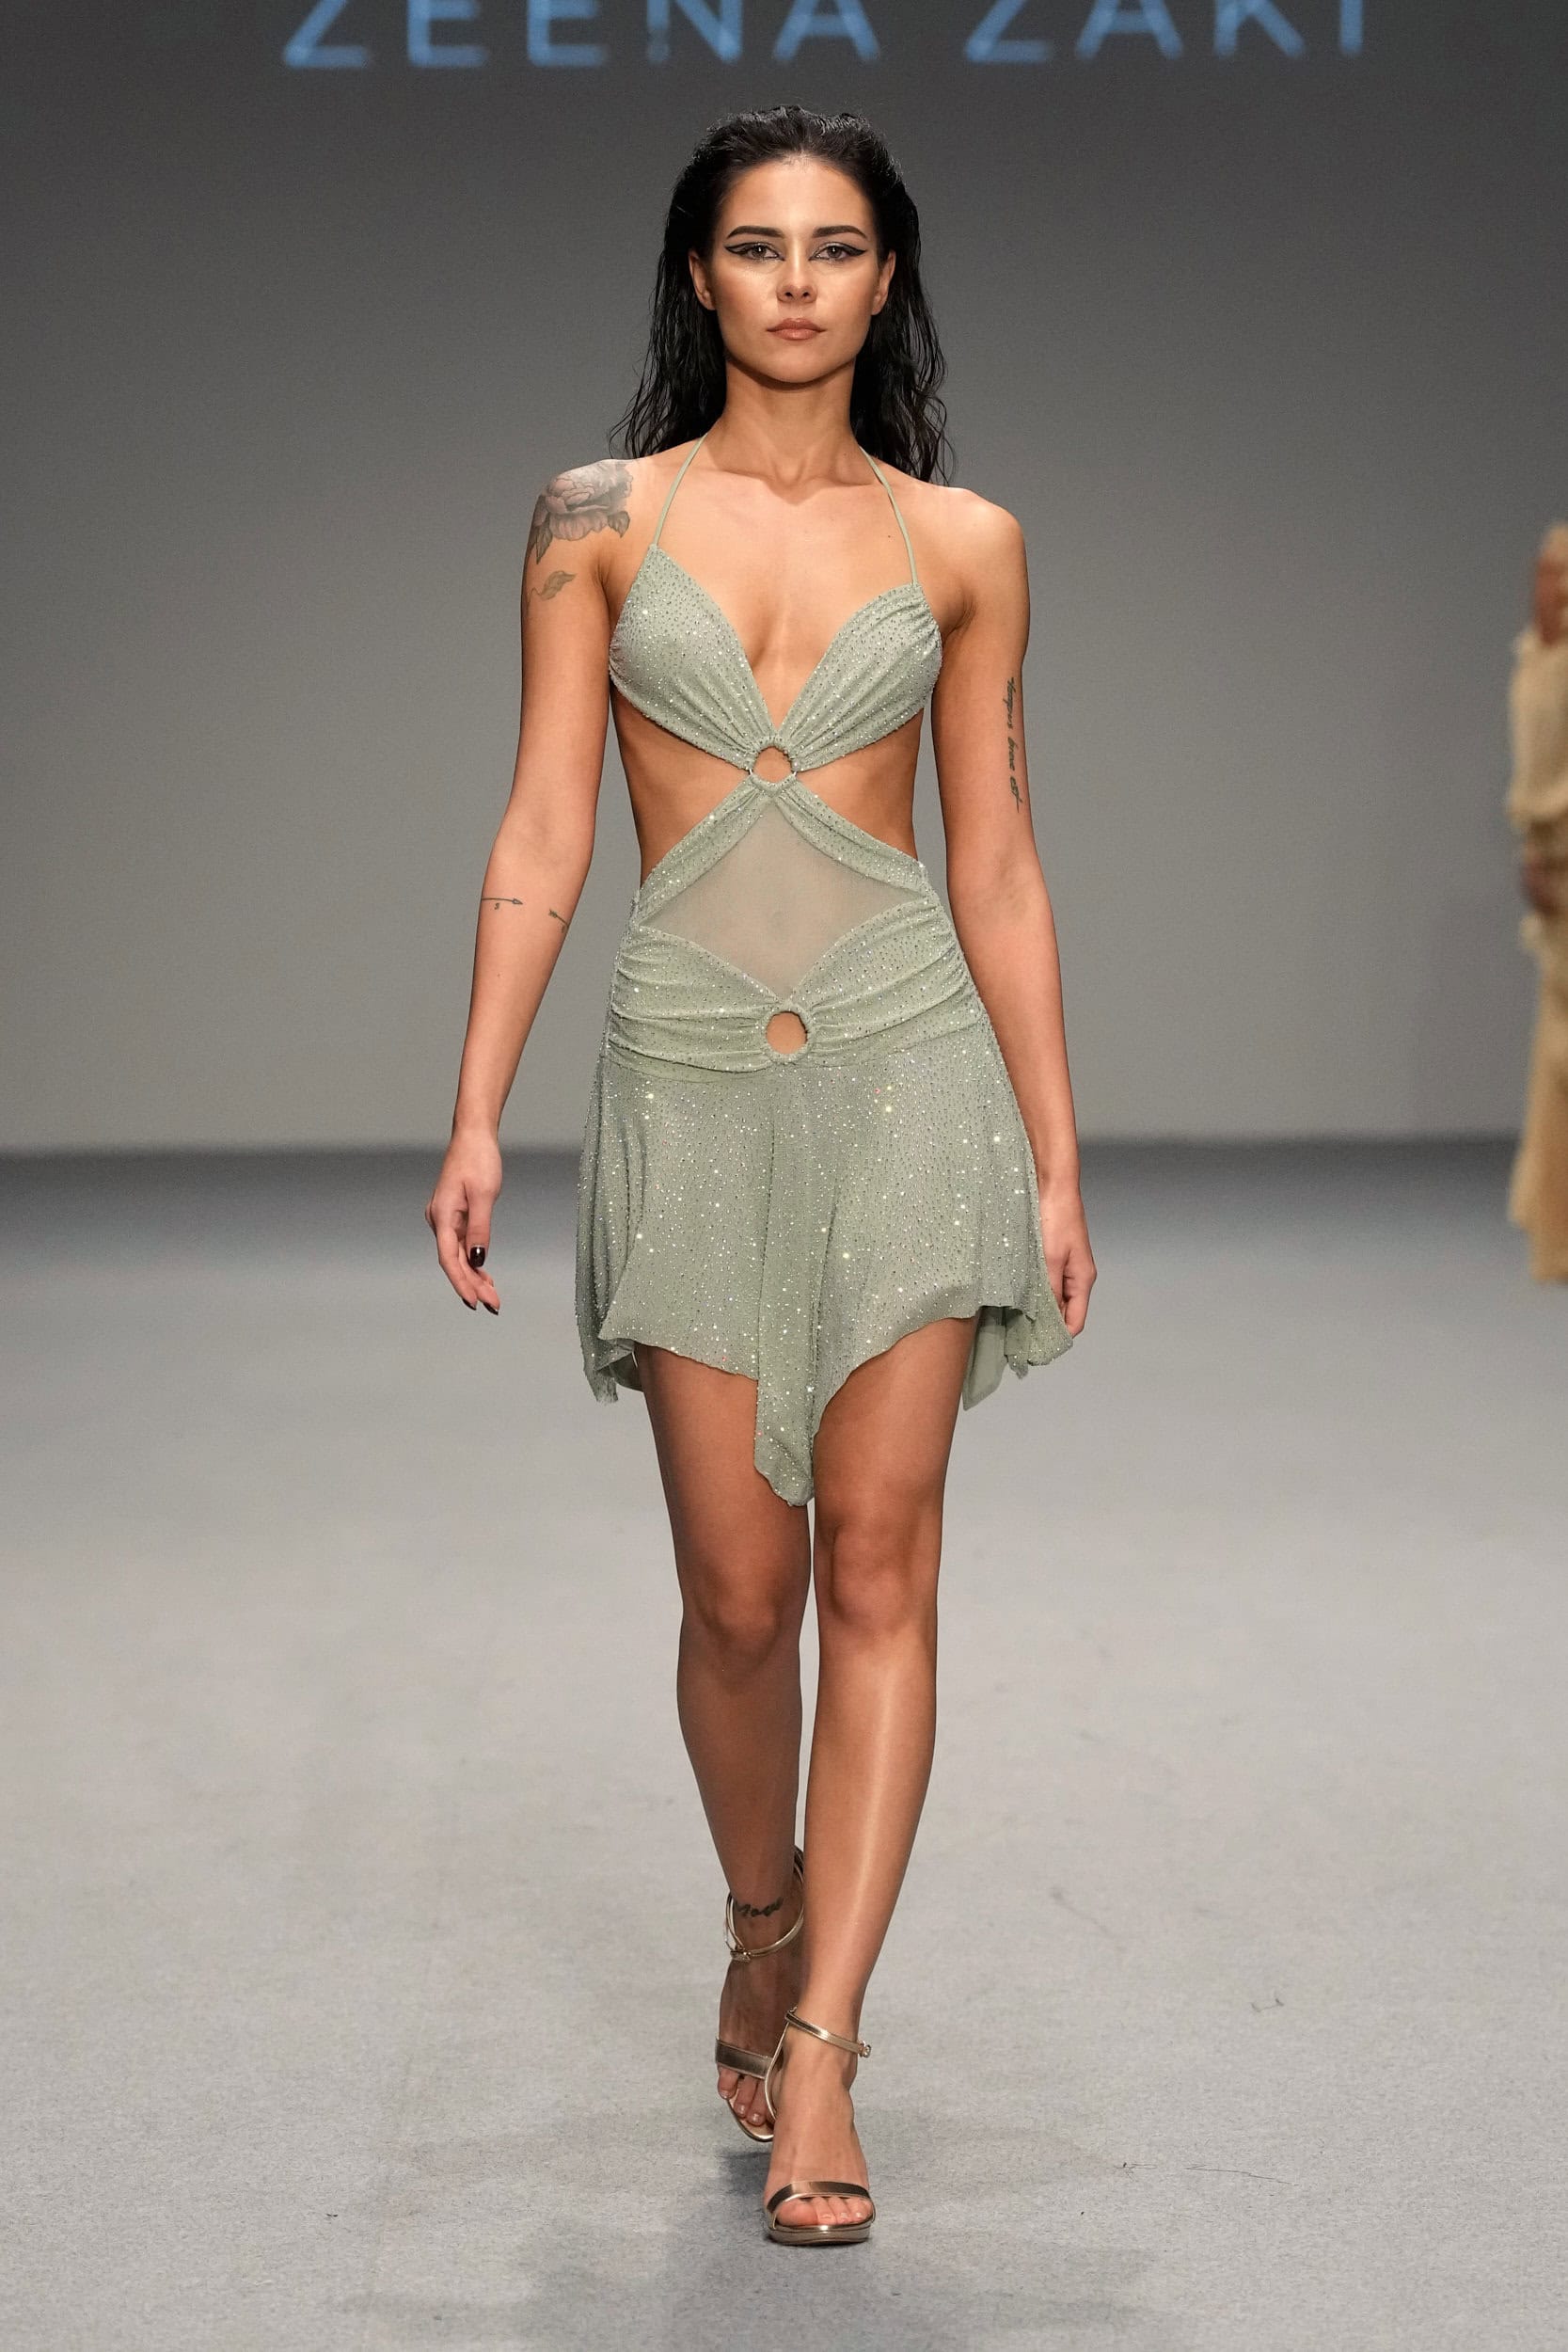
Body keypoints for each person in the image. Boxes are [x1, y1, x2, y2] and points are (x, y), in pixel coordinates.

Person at [425, 105, 1095, 2247]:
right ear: (698, 274)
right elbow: (546, 822)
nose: (794, 281)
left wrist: (1055, 1152)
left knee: (882, 1569)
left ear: (885, 281)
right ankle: (758, 1911)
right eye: (754, 244)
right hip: (692, 1083)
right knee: (740, 1596)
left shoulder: (967, 539)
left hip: (909, 1078)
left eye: (832, 247)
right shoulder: (594, 518)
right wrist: (474, 1105)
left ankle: (823, 2054)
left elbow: (996, 861)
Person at [1505, 523, 1568, 1282]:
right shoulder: (1533, 660)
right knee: (1555, 1052)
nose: (1547, 586)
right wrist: (1533, 848)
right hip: (1553, 873)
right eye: (1543, 572)